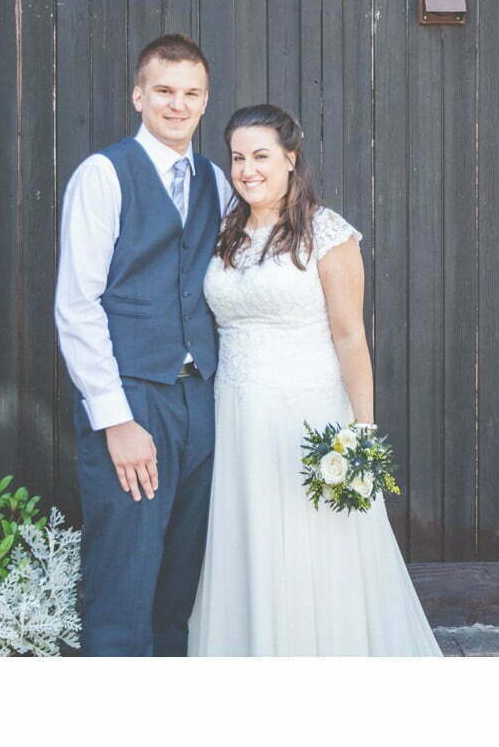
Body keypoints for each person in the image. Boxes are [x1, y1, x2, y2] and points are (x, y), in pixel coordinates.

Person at [188, 104, 441, 656]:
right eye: (237, 158)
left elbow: (351, 336)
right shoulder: (223, 231)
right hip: (235, 411)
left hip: (309, 410)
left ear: (290, 159)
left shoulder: (326, 232)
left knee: (315, 546)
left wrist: (363, 432)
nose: (247, 169)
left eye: (261, 156)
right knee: (247, 542)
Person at [53, 34, 232, 656]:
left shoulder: (216, 180)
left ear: (206, 101)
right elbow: (77, 305)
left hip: (200, 400)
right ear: (139, 96)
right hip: (132, 398)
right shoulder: (104, 175)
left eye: (190, 93)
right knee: (123, 574)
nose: (176, 105)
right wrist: (115, 418)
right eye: (164, 91)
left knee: (180, 577)